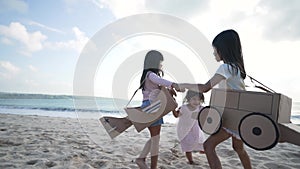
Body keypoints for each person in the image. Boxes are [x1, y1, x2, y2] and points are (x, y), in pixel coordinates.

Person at [179, 29, 252, 169]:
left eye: (215, 49)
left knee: (208, 146)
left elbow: (205, 87)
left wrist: (183, 85)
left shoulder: (225, 68)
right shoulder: (237, 68)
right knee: (239, 148)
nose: (213, 53)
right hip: (242, 115)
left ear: (223, 50)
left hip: (233, 118)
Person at [135, 50, 181, 169]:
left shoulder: (147, 76)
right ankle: (150, 165)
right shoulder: (151, 74)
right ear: (154, 62)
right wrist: (173, 84)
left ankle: (141, 159)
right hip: (153, 107)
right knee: (156, 139)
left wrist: (168, 90)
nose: (161, 65)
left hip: (149, 106)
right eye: (160, 62)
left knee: (155, 137)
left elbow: (158, 88)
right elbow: (160, 81)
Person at [172, 90, 206, 165]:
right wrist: (173, 108)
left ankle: (200, 149)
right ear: (188, 99)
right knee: (187, 145)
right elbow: (176, 115)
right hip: (184, 129)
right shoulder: (184, 108)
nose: (196, 102)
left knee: (199, 139)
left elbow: (206, 113)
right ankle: (190, 161)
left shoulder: (200, 108)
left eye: (198, 100)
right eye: (194, 99)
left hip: (195, 128)